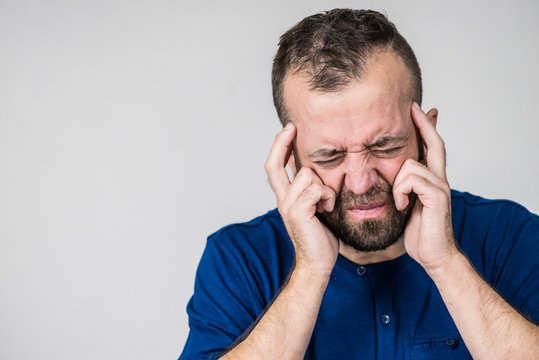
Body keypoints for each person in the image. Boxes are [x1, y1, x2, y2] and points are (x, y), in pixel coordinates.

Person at [179, 9, 539, 360]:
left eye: (385, 145)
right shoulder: (240, 259)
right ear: (290, 157)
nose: (361, 181)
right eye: (329, 156)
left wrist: (445, 263)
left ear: (426, 137)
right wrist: (310, 271)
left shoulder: (509, 235)